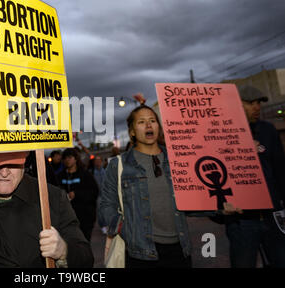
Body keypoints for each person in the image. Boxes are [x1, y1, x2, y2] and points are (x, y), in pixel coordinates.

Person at [0, 140, 94, 268]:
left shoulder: (51, 198)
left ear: (24, 160)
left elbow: (86, 258)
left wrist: (63, 251)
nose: (4, 172)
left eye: (12, 163)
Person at [100, 104, 193, 268]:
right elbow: (107, 205)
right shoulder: (118, 165)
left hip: (180, 249)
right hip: (140, 253)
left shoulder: (178, 159)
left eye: (152, 120)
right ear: (132, 132)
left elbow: (195, 197)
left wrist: (222, 207)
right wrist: (125, 229)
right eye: (141, 122)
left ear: (159, 126)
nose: (149, 125)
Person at [220, 85, 285, 268]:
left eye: (258, 103)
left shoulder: (268, 130)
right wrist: (219, 212)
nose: (256, 107)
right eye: (250, 103)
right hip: (241, 220)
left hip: (272, 215)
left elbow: (279, 169)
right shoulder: (221, 132)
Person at [56, 148, 99, 242]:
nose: (67, 160)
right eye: (65, 158)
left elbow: (94, 192)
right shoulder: (60, 176)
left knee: (84, 243)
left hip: (85, 217)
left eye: (70, 157)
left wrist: (77, 194)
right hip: (67, 218)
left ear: (75, 159)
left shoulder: (85, 175)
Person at [88, 156, 107, 234]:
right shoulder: (91, 172)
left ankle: (107, 225)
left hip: (106, 195)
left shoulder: (106, 171)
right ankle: (103, 226)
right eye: (96, 161)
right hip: (97, 195)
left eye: (99, 161)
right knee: (100, 212)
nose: (98, 162)